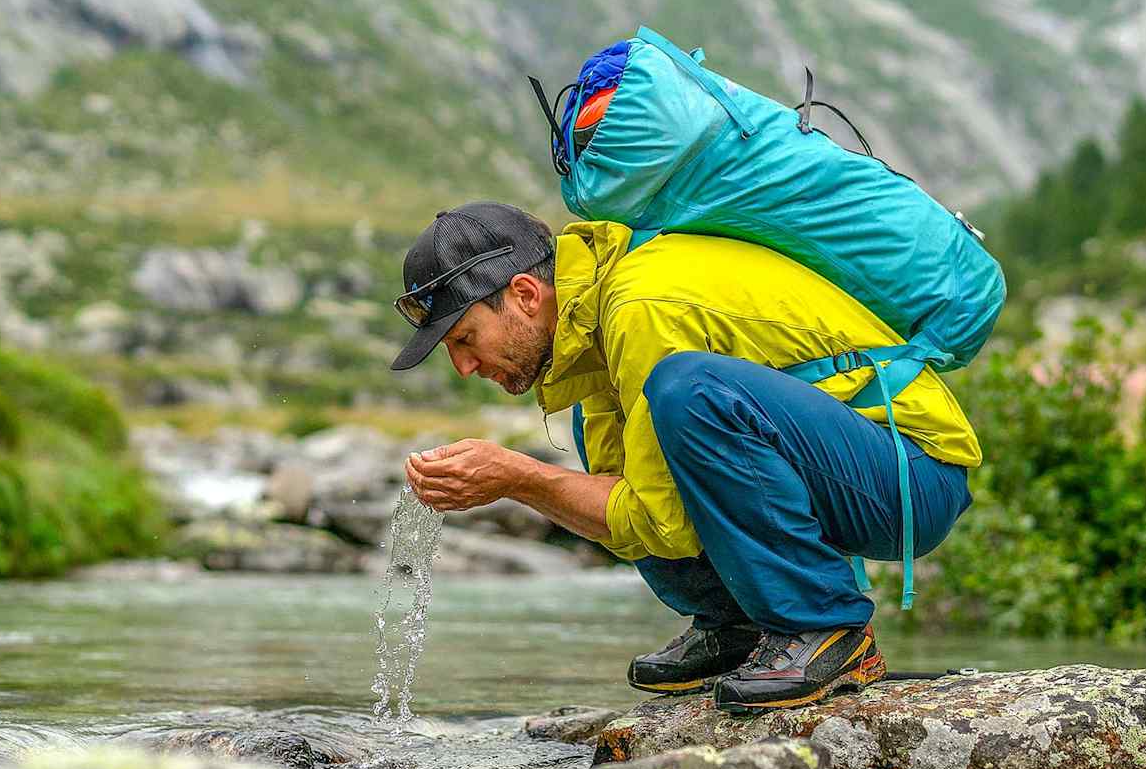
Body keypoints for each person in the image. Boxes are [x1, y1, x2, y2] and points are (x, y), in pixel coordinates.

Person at [394, 201, 979, 712]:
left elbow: (659, 522)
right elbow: (634, 507)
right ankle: (739, 626)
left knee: (686, 392)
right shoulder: (588, 334)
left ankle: (823, 625)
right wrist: (529, 481)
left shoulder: (641, 307)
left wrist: (521, 478)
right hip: (851, 465)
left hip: (911, 471)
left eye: (465, 339)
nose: (465, 367)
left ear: (524, 294)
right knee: (647, 416)